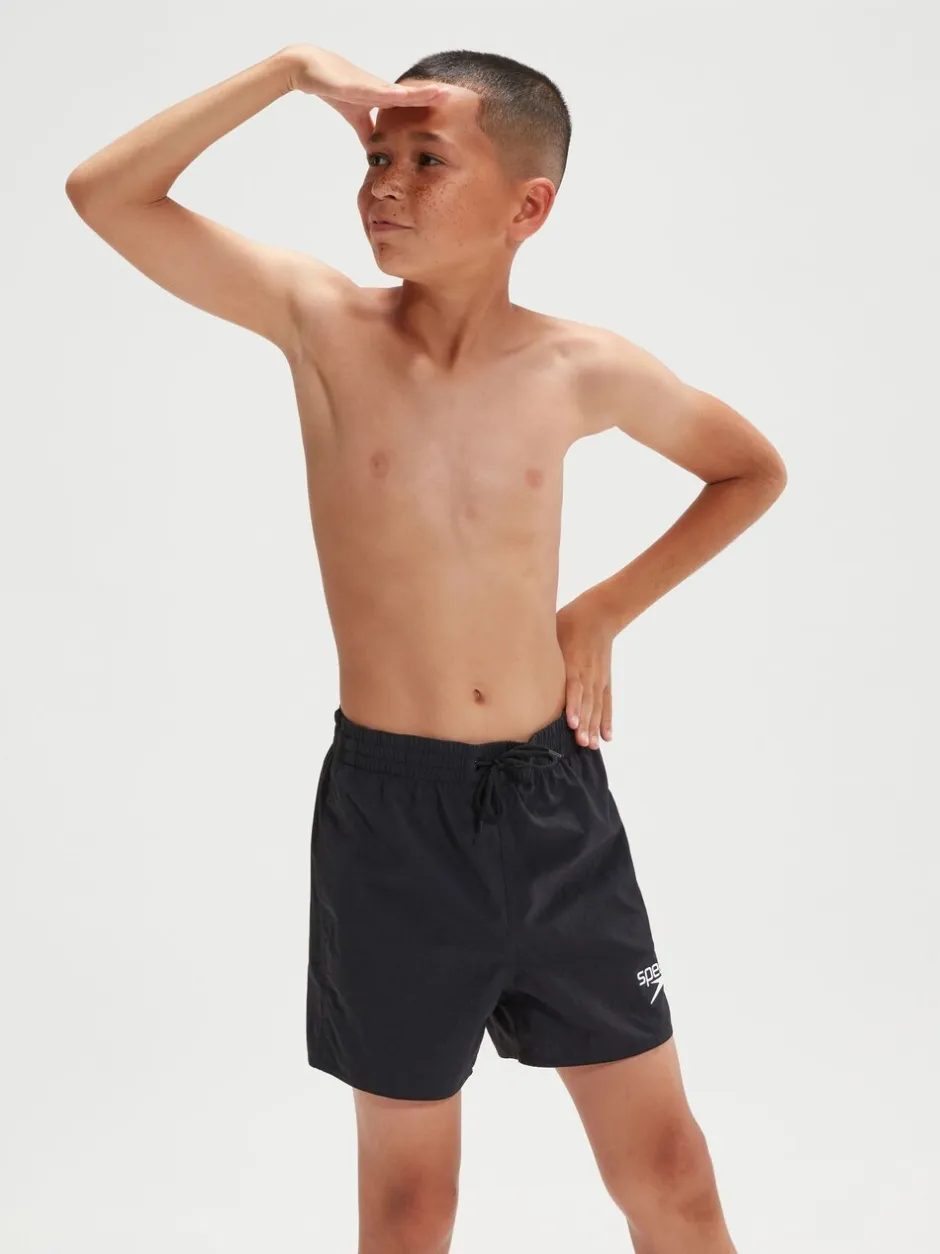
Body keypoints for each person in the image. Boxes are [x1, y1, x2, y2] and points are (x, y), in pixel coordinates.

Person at [66, 42, 786, 1254]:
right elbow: (105, 193)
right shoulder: (321, 323)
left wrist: (601, 610)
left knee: (669, 1173)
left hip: (553, 809)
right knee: (409, 1208)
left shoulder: (582, 368)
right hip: (391, 825)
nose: (385, 185)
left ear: (527, 208)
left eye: (426, 160)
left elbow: (747, 470)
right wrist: (291, 74)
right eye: (375, 158)